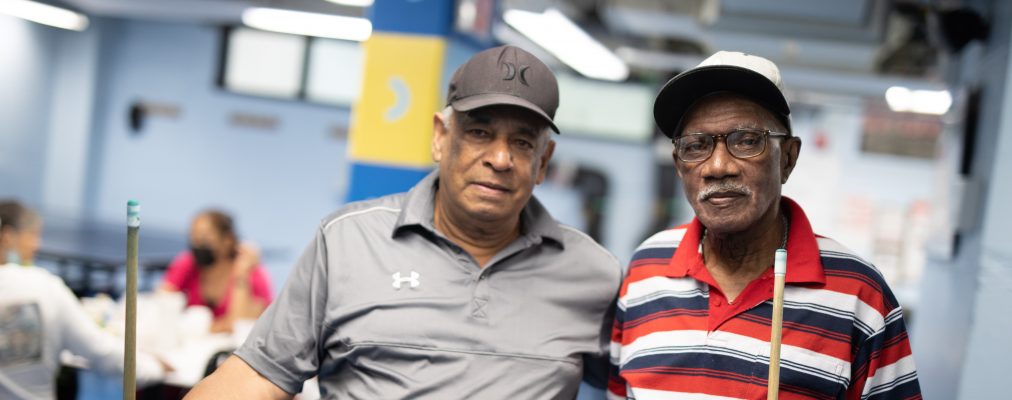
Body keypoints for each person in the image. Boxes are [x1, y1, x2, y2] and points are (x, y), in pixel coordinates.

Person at [185, 45, 622, 399]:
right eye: (479, 132)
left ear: (542, 162)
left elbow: (648, 385)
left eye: (523, 142)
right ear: (440, 137)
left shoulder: (594, 274)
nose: (500, 158)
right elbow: (257, 378)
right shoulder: (347, 243)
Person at [608, 52, 921, 399]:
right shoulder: (645, 268)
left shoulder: (860, 294)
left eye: (746, 141)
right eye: (696, 146)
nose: (718, 167)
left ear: (787, 158)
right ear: (679, 166)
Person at [0, 200, 169, 399]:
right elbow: (101, 351)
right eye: (33, 235)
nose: (37, 245)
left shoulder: (46, 287)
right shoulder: (47, 287)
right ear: (8, 236)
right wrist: (153, 367)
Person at [160, 209, 273, 333]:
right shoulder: (188, 263)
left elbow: (240, 323)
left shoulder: (252, 272)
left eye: (204, 237)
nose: (197, 243)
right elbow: (162, 299)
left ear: (227, 240)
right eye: (194, 236)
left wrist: (241, 276)